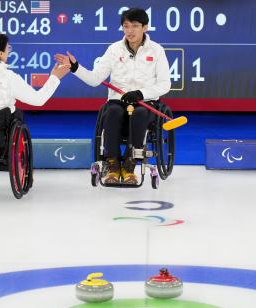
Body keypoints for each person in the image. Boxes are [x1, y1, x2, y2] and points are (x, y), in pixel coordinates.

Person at [55, 8, 170, 185]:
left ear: (145, 27)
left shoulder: (157, 51)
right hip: (118, 101)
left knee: (139, 114)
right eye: (126, 26)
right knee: (113, 112)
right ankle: (113, 165)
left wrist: (141, 93)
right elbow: (95, 79)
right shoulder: (114, 49)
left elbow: (164, 84)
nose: (130, 30)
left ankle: (130, 165)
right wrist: (75, 67)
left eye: (135, 26)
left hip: (145, 102)